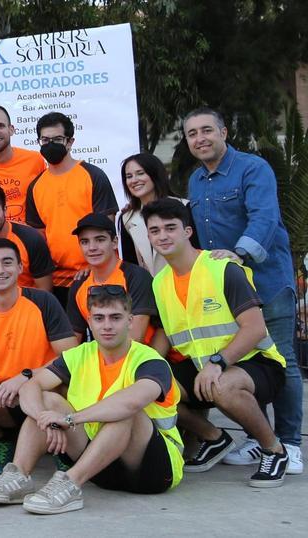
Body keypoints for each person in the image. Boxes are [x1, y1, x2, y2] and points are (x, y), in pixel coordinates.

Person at [0, 287, 182, 514]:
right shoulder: (80, 354)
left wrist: (69, 419)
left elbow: (130, 403)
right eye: (99, 318)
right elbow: (31, 385)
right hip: (99, 466)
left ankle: (69, 483)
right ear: (89, 322)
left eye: (115, 318)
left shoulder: (150, 360)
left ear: (130, 321)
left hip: (152, 470)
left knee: (124, 414)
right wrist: (44, 419)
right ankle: (19, 477)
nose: (107, 325)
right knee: (47, 400)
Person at [182, 107, 302, 470]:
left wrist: (239, 253)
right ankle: (257, 438)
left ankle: (291, 443)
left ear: (224, 131)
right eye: (192, 134)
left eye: (207, 130)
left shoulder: (253, 168)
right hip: (228, 292)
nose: (200, 138)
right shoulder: (195, 181)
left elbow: (264, 217)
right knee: (248, 363)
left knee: (283, 361)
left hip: (267, 282)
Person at [144, 198, 291, 487]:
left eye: (170, 228)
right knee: (146, 389)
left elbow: (255, 328)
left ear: (187, 232)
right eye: (155, 230)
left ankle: (274, 449)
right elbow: (163, 332)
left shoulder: (221, 268)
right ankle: (214, 438)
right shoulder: (159, 282)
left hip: (255, 364)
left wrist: (217, 363)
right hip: (203, 367)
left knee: (220, 386)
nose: (162, 236)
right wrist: (142, 370)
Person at [0, 238, 79, 475]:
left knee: (54, 395)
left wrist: (26, 377)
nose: (0, 270)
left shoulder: (42, 301)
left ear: (20, 268)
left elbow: (70, 356)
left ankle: (61, 448)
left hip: (46, 390)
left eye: (7, 262)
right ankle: (7, 438)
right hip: (5, 397)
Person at [24, 112, 119, 304]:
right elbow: (39, 237)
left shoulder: (93, 176)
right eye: (45, 140)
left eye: (57, 139)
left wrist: (93, 265)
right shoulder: (35, 187)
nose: (51, 144)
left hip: (96, 277)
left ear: (70, 141)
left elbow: (106, 228)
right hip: (56, 282)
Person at [66, 213, 161, 352]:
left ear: (115, 242)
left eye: (100, 239)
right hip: (103, 360)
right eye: (85, 242)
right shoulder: (79, 284)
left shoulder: (136, 276)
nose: (92, 247)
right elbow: (72, 342)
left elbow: (135, 337)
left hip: (140, 359)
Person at [116, 153, 193, 276]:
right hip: (150, 290)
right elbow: (131, 265)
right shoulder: (126, 218)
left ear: (155, 174)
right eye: (129, 176)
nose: (134, 180)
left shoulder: (185, 207)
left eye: (140, 173)